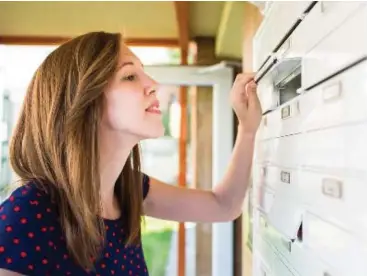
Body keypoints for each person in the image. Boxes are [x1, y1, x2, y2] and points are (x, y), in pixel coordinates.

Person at [0, 31, 261, 276]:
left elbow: (224, 206)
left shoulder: (130, 189)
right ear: (82, 101)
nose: (153, 84)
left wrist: (248, 129)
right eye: (129, 76)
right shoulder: (27, 214)